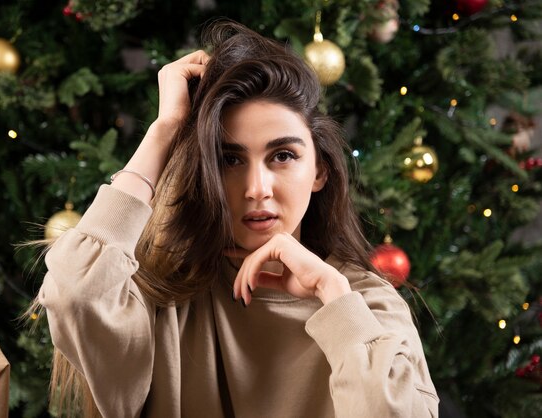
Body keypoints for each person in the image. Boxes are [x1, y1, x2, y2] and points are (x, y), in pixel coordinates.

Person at [37, 20, 439, 417]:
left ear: (319, 172)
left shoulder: (368, 306)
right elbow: (75, 293)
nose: (256, 188)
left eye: (283, 156)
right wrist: (166, 130)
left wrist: (330, 292)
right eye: (229, 160)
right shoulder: (161, 304)